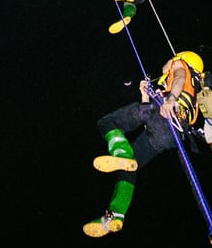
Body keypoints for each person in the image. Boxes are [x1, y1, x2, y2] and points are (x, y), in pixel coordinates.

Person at [83, 51, 205, 238]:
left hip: (162, 112)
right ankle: (115, 215)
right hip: (169, 135)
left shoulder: (180, 66)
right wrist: (144, 95)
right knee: (129, 168)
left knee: (106, 123)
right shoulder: (193, 92)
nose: (166, 63)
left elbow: (179, 78)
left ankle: (121, 152)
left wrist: (171, 100)